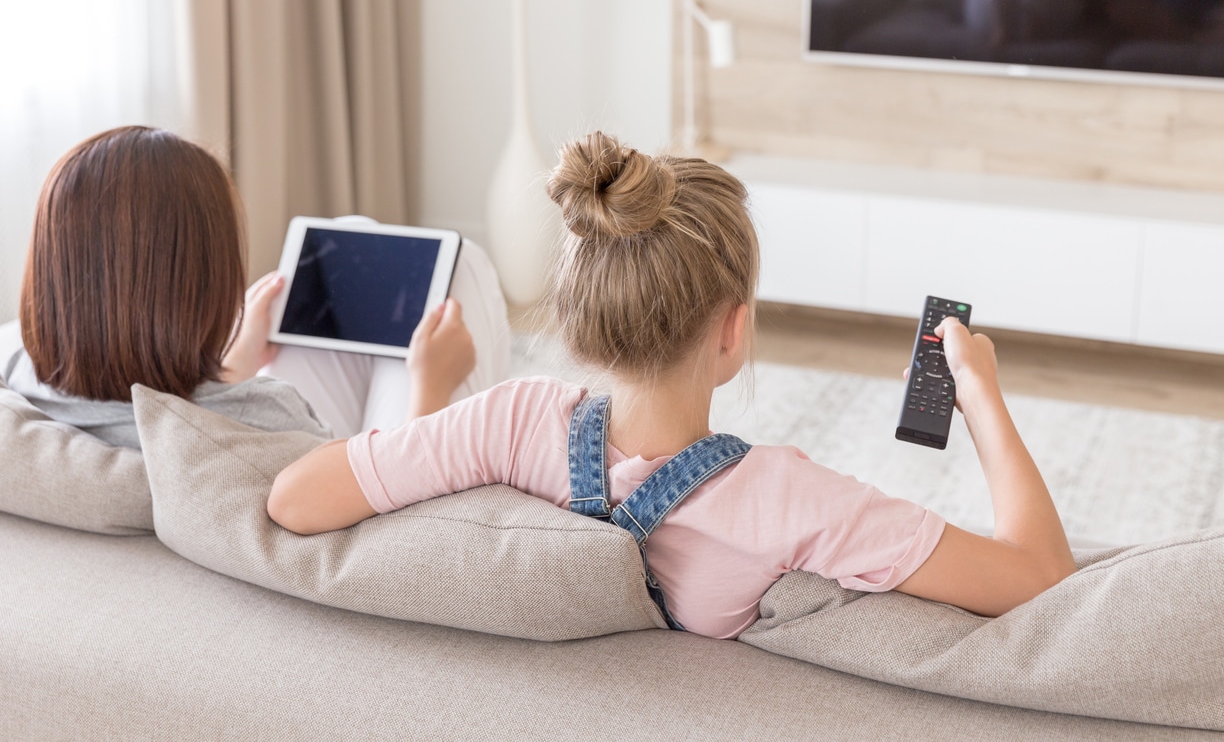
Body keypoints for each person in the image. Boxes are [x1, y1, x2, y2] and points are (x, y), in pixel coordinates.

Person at [267, 131, 1078, 640]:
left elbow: (294, 500)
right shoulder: (791, 501)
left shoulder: (508, 421)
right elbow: (1040, 578)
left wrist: (426, 401)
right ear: (732, 330)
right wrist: (979, 399)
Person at [0, 125, 507, 449]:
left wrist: (227, 370)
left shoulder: (18, 363)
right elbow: (385, 512)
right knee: (460, 266)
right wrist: (432, 389)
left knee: (354, 231)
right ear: (203, 284)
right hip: (355, 471)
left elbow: (143, 403)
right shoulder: (264, 418)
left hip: (190, 398)